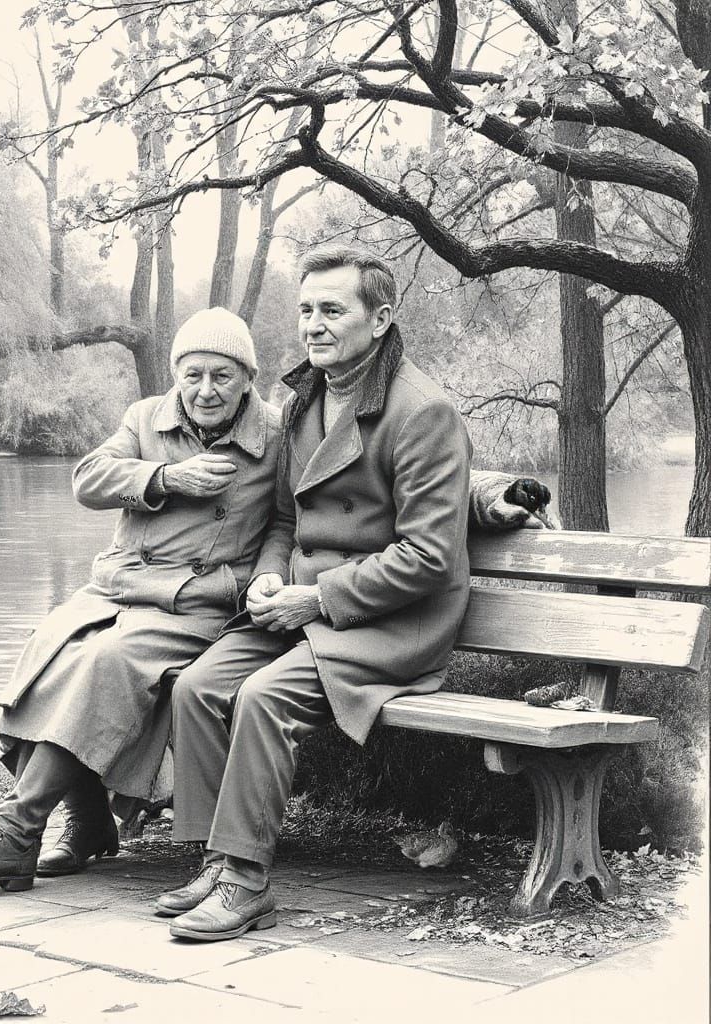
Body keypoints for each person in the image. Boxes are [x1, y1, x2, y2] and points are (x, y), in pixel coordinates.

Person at [158, 245, 474, 941]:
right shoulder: (302, 400)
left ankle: (245, 884)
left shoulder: (423, 413)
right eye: (305, 310)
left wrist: (318, 598)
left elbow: (428, 556)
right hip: (305, 606)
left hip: (391, 621)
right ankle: (216, 861)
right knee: (198, 686)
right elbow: (282, 520)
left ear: (381, 318)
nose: (314, 325)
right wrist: (273, 574)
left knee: (263, 698)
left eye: (332, 309)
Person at [0, 307, 283, 890]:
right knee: (47, 649)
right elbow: (88, 479)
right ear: (176, 375)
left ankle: (16, 830)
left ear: (248, 377)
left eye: (222, 375)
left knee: (105, 663)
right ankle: (88, 822)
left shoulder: (277, 434)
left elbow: (292, 519)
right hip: (117, 587)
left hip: (199, 602)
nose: (206, 390)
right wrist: (166, 478)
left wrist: (265, 576)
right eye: (192, 375)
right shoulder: (145, 418)